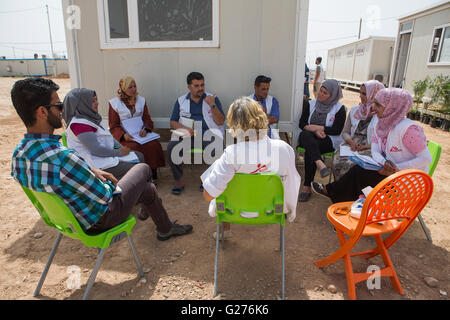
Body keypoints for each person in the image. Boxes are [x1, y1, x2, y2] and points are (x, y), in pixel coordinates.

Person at [11, 77, 192, 240]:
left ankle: (164, 228)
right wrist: (110, 181)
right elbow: (104, 196)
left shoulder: (18, 155)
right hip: (98, 219)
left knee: (147, 188)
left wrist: (91, 171)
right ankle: (162, 225)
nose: (62, 110)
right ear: (42, 112)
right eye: (58, 106)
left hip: (67, 219)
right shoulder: (64, 158)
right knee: (143, 169)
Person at [202, 97, 301, 240]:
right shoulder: (284, 148)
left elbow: (208, 195)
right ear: (262, 118)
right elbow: (292, 181)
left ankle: (225, 231)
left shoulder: (231, 153)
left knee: (223, 179)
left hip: (235, 211)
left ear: (234, 124)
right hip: (273, 210)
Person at [312, 88, 432, 204]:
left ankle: (340, 200)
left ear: (393, 108)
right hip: (390, 173)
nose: (373, 107)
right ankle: (347, 206)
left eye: (378, 105)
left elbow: (425, 158)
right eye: (374, 102)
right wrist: (383, 164)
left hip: (407, 180)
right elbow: (375, 149)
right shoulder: (381, 124)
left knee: (362, 178)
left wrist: (395, 168)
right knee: (358, 170)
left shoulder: (409, 129)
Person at [63, 88, 145, 181]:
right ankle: (128, 191)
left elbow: (108, 136)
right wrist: (119, 153)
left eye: (96, 99)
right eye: (92, 101)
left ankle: (141, 188)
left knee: (139, 156)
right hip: (96, 165)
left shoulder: (93, 117)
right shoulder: (79, 124)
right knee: (138, 169)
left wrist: (121, 148)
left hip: (106, 156)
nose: (97, 103)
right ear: (83, 104)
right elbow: (96, 149)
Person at [168, 72, 226, 195]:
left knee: (217, 147)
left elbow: (221, 121)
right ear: (189, 87)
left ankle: (208, 180)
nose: (200, 88)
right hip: (188, 135)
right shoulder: (181, 101)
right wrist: (184, 128)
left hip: (208, 135)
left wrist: (212, 105)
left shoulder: (211, 98)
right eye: (196, 86)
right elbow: (172, 122)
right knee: (172, 146)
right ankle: (178, 180)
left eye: (202, 85)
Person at [109, 77, 165, 184]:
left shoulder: (141, 100)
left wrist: (145, 129)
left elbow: (147, 119)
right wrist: (124, 135)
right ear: (123, 88)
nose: (134, 89)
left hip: (141, 135)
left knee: (153, 145)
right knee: (133, 148)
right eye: (130, 87)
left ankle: (152, 175)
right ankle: (137, 176)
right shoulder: (114, 103)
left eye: (135, 86)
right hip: (126, 137)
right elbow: (113, 125)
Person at [297, 79, 346, 202]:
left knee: (311, 149)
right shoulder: (310, 103)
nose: (320, 94)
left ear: (333, 95)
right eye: (321, 91)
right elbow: (302, 123)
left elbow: (336, 130)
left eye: (325, 93)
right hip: (308, 136)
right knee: (306, 136)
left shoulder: (339, 108)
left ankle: (306, 187)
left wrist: (316, 128)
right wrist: (313, 131)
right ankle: (320, 164)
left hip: (328, 140)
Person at [333, 80, 385, 180]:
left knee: (351, 165)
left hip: (370, 149)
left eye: (364, 94)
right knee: (337, 161)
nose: (360, 96)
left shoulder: (381, 115)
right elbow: (345, 132)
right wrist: (351, 142)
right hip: (351, 146)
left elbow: (382, 142)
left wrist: (364, 147)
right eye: (360, 92)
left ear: (374, 95)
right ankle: (340, 191)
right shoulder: (355, 110)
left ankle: (347, 193)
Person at [248, 75, 280, 140]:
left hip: (270, 136)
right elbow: (246, 121)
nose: (266, 92)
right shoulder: (247, 101)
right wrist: (266, 116)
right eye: (263, 89)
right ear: (255, 87)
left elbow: (275, 119)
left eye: (267, 89)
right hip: (251, 136)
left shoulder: (273, 100)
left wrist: (254, 118)